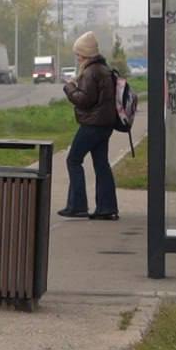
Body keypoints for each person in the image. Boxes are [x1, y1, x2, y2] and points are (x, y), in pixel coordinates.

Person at [59, 31, 119, 220]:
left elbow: (83, 100)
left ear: (85, 54)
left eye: (78, 55)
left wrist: (69, 87)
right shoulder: (103, 69)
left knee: (74, 160)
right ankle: (106, 207)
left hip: (92, 125)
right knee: (101, 164)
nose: (77, 58)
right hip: (105, 124)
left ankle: (77, 206)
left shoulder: (90, 72)